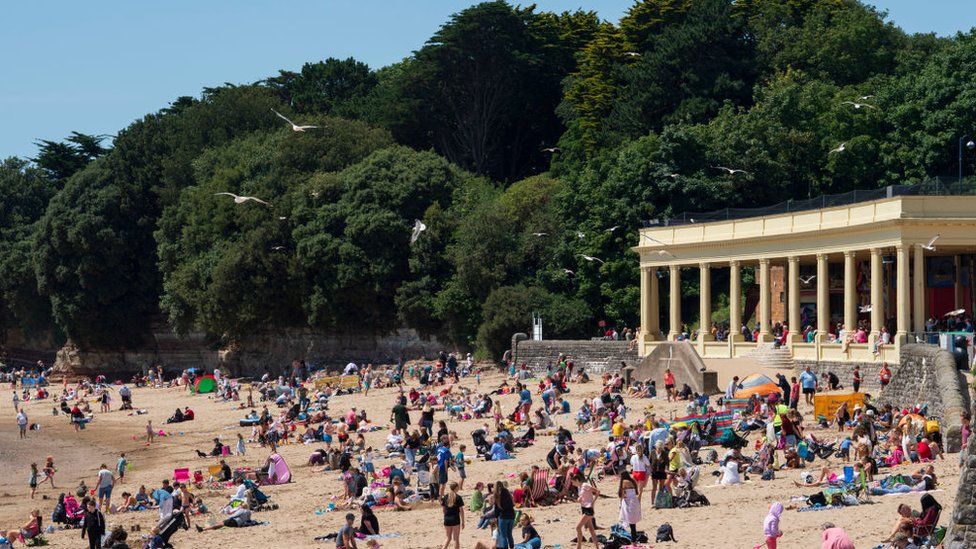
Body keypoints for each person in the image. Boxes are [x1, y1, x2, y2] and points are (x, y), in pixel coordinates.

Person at [574, 472, 599, 549]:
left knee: (578, 527)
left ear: (577, 480)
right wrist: (579, 500)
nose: (572, 484)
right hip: (584, 508)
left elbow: (597, 491)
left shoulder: (585, 485)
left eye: (573, 482)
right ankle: (597, 547)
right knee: (591, 530)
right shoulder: (579, 487)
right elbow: (583, 498)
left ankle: (579, 547)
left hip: (588, 509)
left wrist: (593, 502)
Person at [440, 481, 464, 549]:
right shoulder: (458, 497)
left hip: (447, 519)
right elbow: (461, 511)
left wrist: (446, 516)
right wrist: (463, 521)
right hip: (455, 519)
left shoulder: (445, 497)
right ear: (456, 488)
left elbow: (444, 510)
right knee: (456, 539)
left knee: (448, 538)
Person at [618, 471, 641, 541]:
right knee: (633, 524)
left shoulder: (624, 481)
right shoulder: (632, 481)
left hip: (630, 502)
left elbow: (621, 494)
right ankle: (634, 541)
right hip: (635, 501)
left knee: (631, 524)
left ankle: (634, 541)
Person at [494, 481, 516, 549]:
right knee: (509, 534)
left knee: (503, 535)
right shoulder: (507, 492)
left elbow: (496, 509)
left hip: (503, 516)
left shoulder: (497, 494)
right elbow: (512, 504)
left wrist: (496, 517)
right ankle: (512, 547)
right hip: (511, 515)